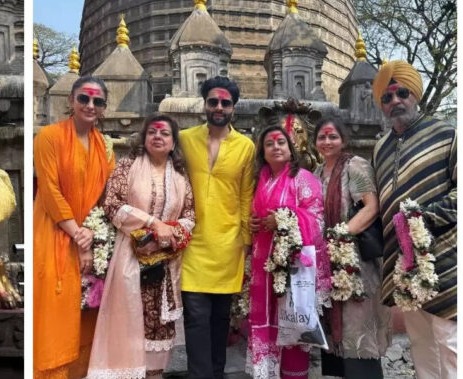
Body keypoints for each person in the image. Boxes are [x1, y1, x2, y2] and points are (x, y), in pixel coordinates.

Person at [87, 114, 195, 379]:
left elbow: (190, 216)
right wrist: (151, 224)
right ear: (144, 138)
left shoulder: (180, 176)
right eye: (152, 132)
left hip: (166, 264)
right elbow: (112, 204)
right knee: (128, 324)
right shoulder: (127, 166)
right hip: (130, 259)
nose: (157, 136)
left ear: (173, 143)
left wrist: (167, 235)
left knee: (158, 327)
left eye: (164, 133)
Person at [371, 61, 456, 379]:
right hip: (402, 264)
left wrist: (423, 218)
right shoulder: (379, 149)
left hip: (444, 258)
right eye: (386, 97)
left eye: (401, 93)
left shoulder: (446, 134)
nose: (394, 102)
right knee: (421, 346)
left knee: (452, 343)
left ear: (414, 94)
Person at [34, 75, 115, 378]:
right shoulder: (49, 136)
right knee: (55, 309)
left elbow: (109, 192)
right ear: (71, 101)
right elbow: (50, 189)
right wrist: (76, 233)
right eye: (84, 98)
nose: (90, 105)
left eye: (98, 101)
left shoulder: (105, 147)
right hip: (53, 232)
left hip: (92, 236)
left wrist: (92, 234)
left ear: (104, 108)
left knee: (87, 313)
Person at [178, 76, 255, 379]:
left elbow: (246, 195)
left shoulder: (245, 147)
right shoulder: (184, 139)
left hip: (228, 243)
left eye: (225, 102)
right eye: (213, 101)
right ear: (205, 105)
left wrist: (246, 240)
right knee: (196, 319)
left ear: (233, 107)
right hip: (191, 243)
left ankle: (217, 373)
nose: (219, 107)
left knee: (221, 320)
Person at [248, 126, 331, 379]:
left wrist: (285, 219)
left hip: (294, 269)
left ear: (290, 147)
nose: (276, 147)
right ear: (262, 152)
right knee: (268, 326)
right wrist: (253, 224)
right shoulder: (260, 180)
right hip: (264, 266)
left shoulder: (303, 178)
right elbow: (258, 216)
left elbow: (317, 219)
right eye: (269, 143)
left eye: (281, 142)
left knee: (293, 325)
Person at [312, 119, 391, 378]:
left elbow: (371, 206)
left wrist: (341, 235)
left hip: (354, 261)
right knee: (335, 332)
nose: (327, 142)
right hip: (326, 262)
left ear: (343, 140)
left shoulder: (354, 166)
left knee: (357, 328)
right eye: (322, 137)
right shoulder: (315, 173)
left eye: (332, 136)